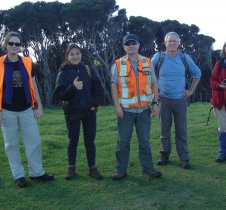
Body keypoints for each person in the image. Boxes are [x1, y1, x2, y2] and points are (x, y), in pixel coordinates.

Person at [0, 31, 54, 188]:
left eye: (17, 44)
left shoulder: (27, 62)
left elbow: (34, 85)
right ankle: (18, 175)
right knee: (11, 144)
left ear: (20, 47)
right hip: (7, 110)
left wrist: (39, 106)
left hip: (26, 109)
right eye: (11, 43)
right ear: (6, 45)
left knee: (34, 141)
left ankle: (37, 172)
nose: (14, 46)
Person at [110, 34, 162, 180]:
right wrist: (117, 107)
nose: (131, 46)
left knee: (144, 141)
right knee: (123, 142)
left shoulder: (147, 62)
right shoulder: (118, 64)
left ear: (138, 45)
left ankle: (148, 168)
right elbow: (113, 86)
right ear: (124, 47)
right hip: (125, 111)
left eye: (133, 43)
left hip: (144, 110)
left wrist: (155, 103)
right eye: (128, 44)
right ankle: (120, 170)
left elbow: (154, 84)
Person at [151, 32, 201, 169]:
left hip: (180, 99)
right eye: (169, 41)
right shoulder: (158, 57)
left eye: (174, 41)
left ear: (178, 43)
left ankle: (184, 157)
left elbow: (197, 73)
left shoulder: (184, 58)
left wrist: (191, 90)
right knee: (164, 130)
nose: (172, 43)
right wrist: (154, 93)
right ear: (165, 43)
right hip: (164, 99)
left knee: (181, 130)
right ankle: (164, 155)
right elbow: (147, 73)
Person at [54, 44, 104, 180]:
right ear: (67, 56)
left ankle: (92, 167)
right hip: (72, 113)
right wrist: (73, 87)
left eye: (77, 53)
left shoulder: (87, 69)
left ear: (81, 55)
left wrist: (95, 104)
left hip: (89, 111)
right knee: (73, 141)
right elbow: (60, 95)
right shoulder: (63, 72)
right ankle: (71, 167)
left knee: (90, 141)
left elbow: (98, 87)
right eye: (72, 54)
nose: (75, 56)